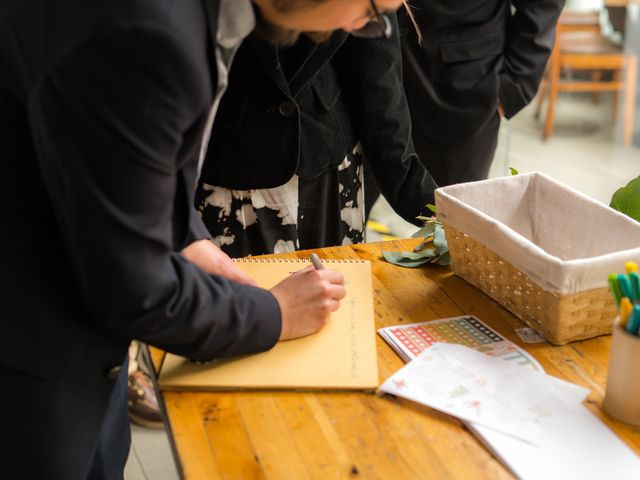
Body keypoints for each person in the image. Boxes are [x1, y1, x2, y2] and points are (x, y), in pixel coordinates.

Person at [0, 0, 406, 478]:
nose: (362, 27)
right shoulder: (156, 36)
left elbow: (118, 158)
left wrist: (187, 240)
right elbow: (135, 291)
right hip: (33, 356)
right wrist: (276, 314)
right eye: (373, 9)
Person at [196, 15, 438, 257]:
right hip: (225, 168)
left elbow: (379, 79)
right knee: (241, 290)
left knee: (340, 289)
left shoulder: (365, 12)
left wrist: (437, 210)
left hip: (325, 162)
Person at [397, 0, 564, 186]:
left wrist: (512, 87)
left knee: (448, 209)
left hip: (463, 91)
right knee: (360, 203)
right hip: (372, 74)